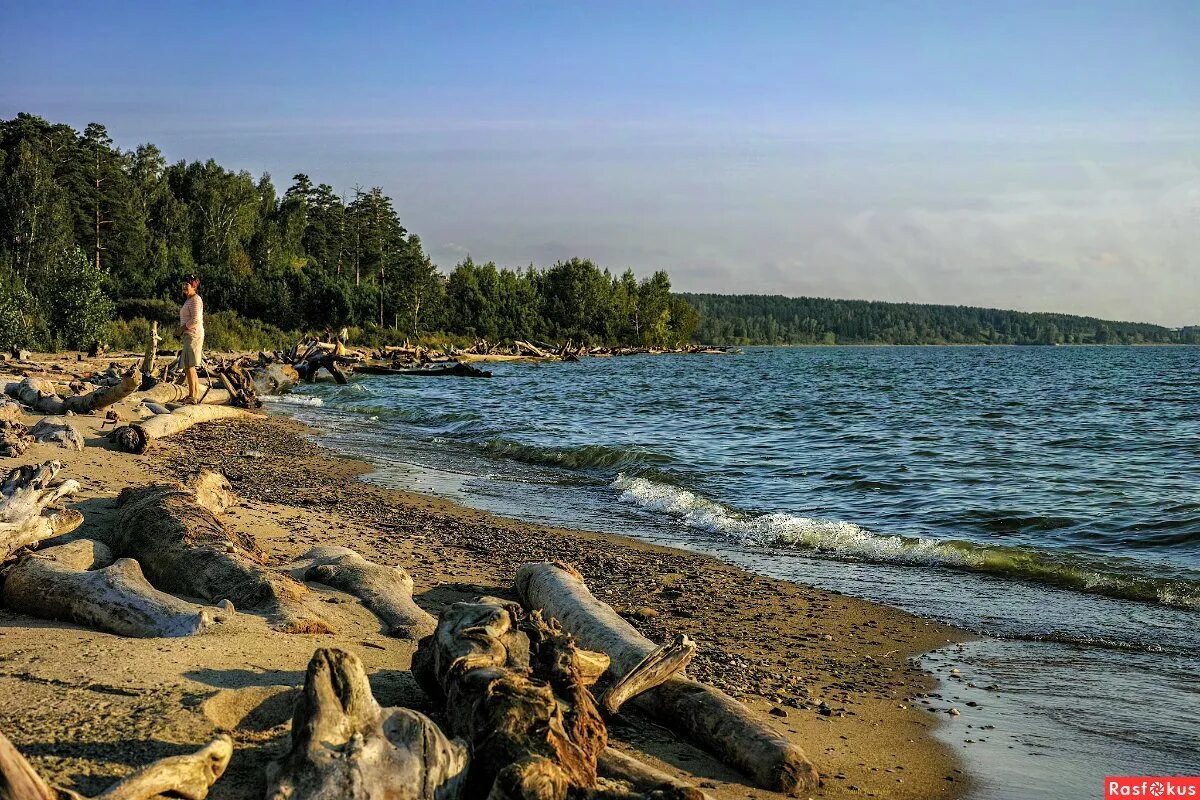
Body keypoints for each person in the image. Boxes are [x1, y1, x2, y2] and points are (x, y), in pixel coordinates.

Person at [178, 274, 205, 403]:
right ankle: (192, 394)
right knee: (188, 365)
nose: (184, 287)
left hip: (193, 334)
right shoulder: (189, 299)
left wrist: (182, 328)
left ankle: (193, 396)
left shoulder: (195, 300)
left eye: (187, 285)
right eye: (183, 284)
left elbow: (196, 319)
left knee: (190, 365)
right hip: (188, 335)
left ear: (194, 286)